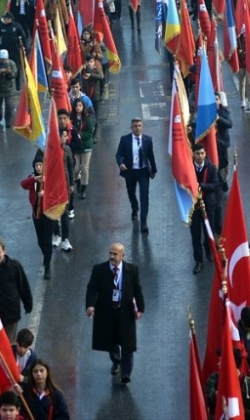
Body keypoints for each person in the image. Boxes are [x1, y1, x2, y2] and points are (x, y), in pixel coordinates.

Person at [85, 242, 145, 384]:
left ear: (122, 255)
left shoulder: (132, 270)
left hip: (125, 313)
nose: (112, 256)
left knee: (128, 345)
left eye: (115, 254)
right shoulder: (99, 270)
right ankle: (116, 361)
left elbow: (137, 290)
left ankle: (126, 373)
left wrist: (141, 308)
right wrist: (90, 306)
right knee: (111, 343)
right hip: (107, 313)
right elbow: (91, 289)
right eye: (110, 253)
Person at [0, 238, 34, 343]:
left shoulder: (14, 266)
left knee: (9, 344)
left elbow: (23, 286)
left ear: (4, 251)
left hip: (10, 313)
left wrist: (28, 304)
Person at [115, 118, 158, 234]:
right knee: (131, 192)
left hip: (143, 172)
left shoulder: (147, 140)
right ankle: (135, 207)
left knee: (144, 196)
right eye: (135, 126)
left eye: (139, 126)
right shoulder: (125, 140)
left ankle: (143, 222)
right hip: (130, 171)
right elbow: (118, 155)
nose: (137, 128)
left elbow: (151, 156)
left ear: (142, 127)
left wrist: (154, 170)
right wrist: (121, 164)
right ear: (131, 127)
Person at [204, 348, 250, 420]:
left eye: (221, 361)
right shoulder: (214, 379)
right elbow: (207, 401)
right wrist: (220, 394)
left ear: (231, 364)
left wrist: (236, 411)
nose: (218, 364)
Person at [191, 144, 223, 274]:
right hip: (194, 206)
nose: (200, 156)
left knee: (209, 230)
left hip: (209, 205)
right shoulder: (189, 168)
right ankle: (198, 261)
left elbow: (215, 185)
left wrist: (200, 186)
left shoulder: (211, 167)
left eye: (202, 153)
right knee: (195, 235)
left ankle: (209, 251)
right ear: (193, 154)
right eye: (197, 153)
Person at [22, 159, 56, 279]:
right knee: (40, 241)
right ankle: (47, 255)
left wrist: (45, 193)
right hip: (36, 214)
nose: (38, 167)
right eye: (36, 165)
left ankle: (47, 267)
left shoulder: (50, 178)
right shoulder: (32, 178)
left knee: (47, 240)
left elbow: (56, 193)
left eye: (40, 165)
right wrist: (35, 179)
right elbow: (23, 184)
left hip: (49, 214)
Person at [70, 99, 96, 200]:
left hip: (86, 146)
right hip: (76, 146)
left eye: (80, 105)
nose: (78, 108)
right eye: (76, 106)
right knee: (76, 168)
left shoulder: (88, 118)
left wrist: (79, 135)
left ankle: (83, 188)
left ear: (83, 107)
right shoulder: (71, 118)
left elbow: (90, 133)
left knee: (85, 168)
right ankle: (78, 182)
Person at [0, 50, 19, 129]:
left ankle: (8, 121)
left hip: (8, 90)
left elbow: (14, 75)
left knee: (9, 106)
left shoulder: (12, 64)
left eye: (5, 59)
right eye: (2, 59)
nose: (3, 61)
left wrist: (9, 72)